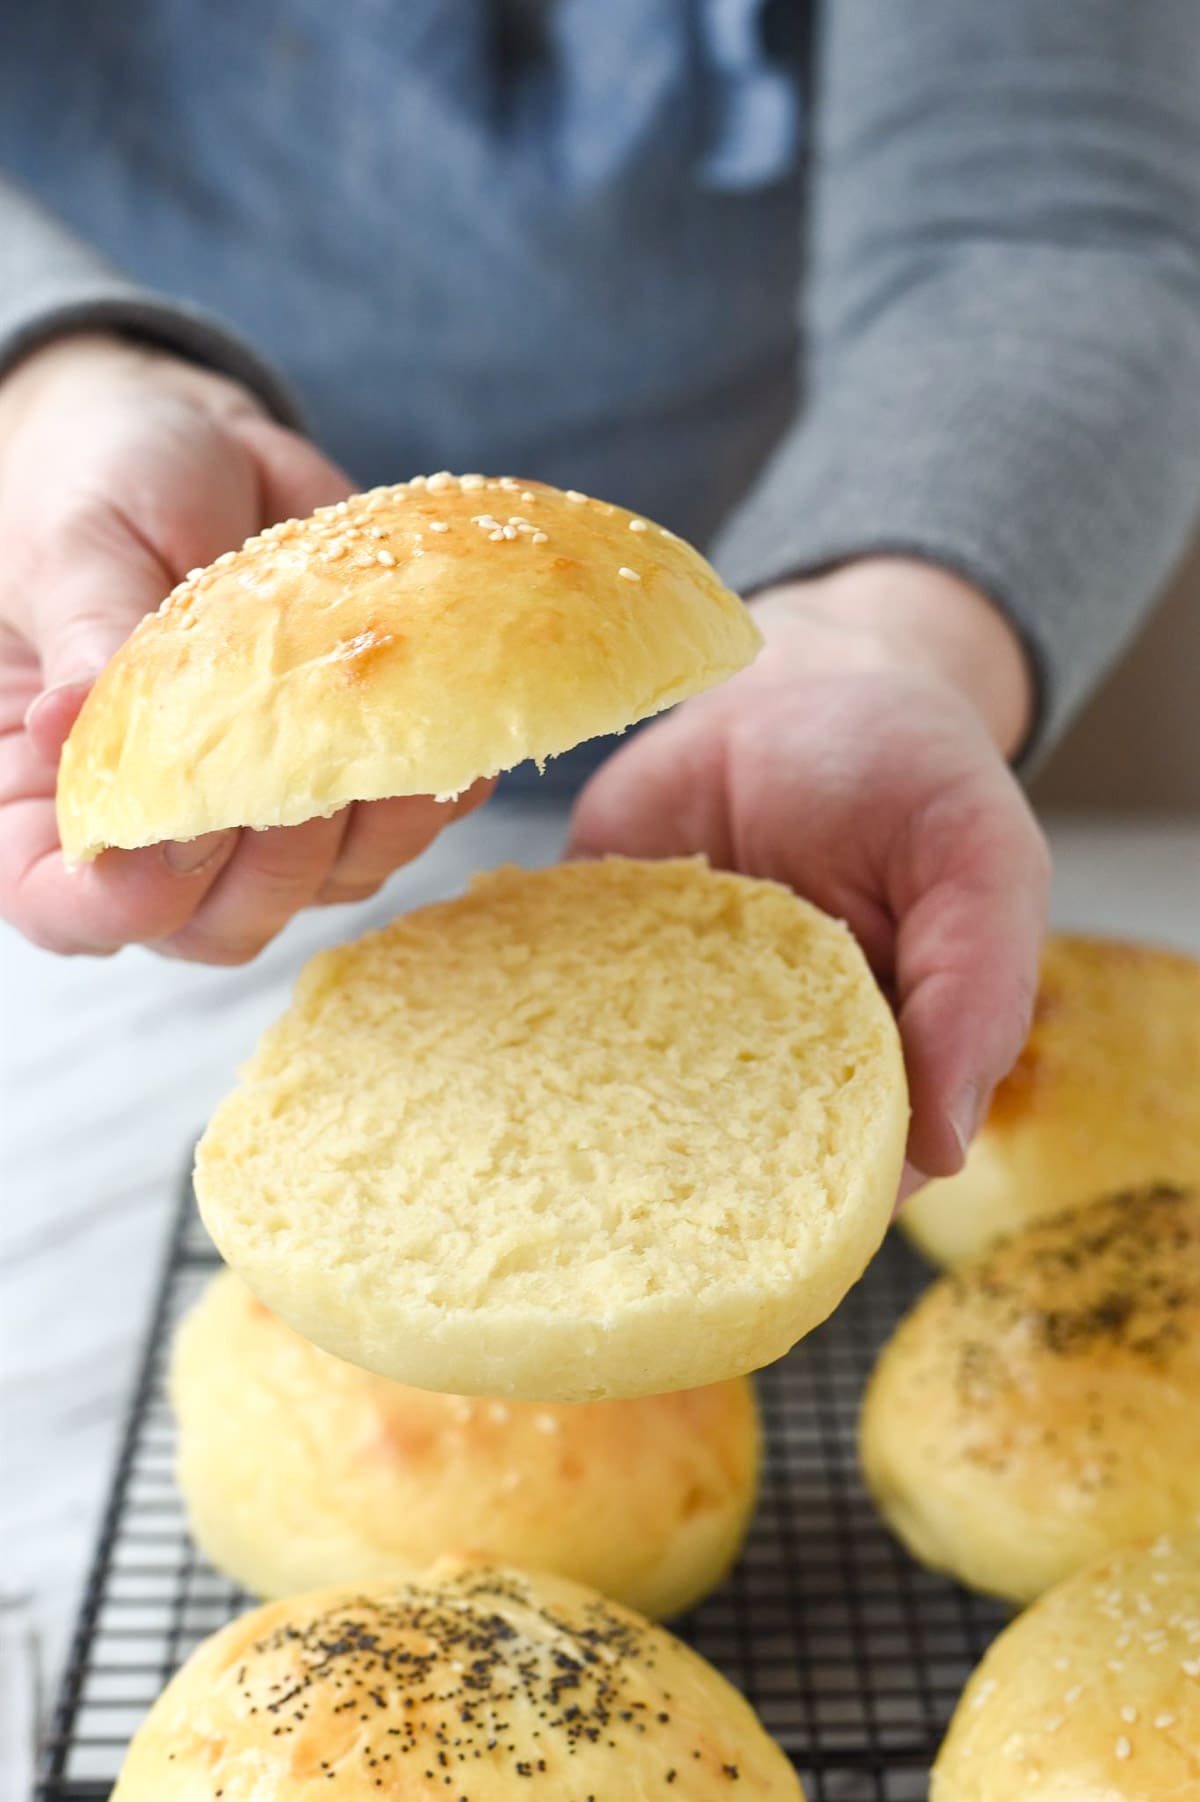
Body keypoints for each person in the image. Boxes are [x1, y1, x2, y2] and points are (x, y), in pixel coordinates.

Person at [0, 2, 1197, 1190]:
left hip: (753, 648)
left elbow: (1039, 224)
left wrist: (874, 638)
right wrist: (44, 387)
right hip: (108, 665)